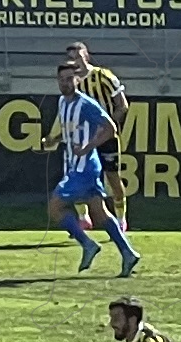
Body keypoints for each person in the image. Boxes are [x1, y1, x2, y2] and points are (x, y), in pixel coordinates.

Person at [46, 54, 138, 274]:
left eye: (69, 79)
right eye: (62, 80)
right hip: (76, 165)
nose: (65, 83)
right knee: (100, 212)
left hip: (84, 168)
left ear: (77, 80)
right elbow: (70, 131)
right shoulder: (62, 102)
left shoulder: (86, 104)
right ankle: (128, 253)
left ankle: (88, 244)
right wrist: (54, 140)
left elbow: (110, 128)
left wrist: (88, 147)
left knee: (55, 207)